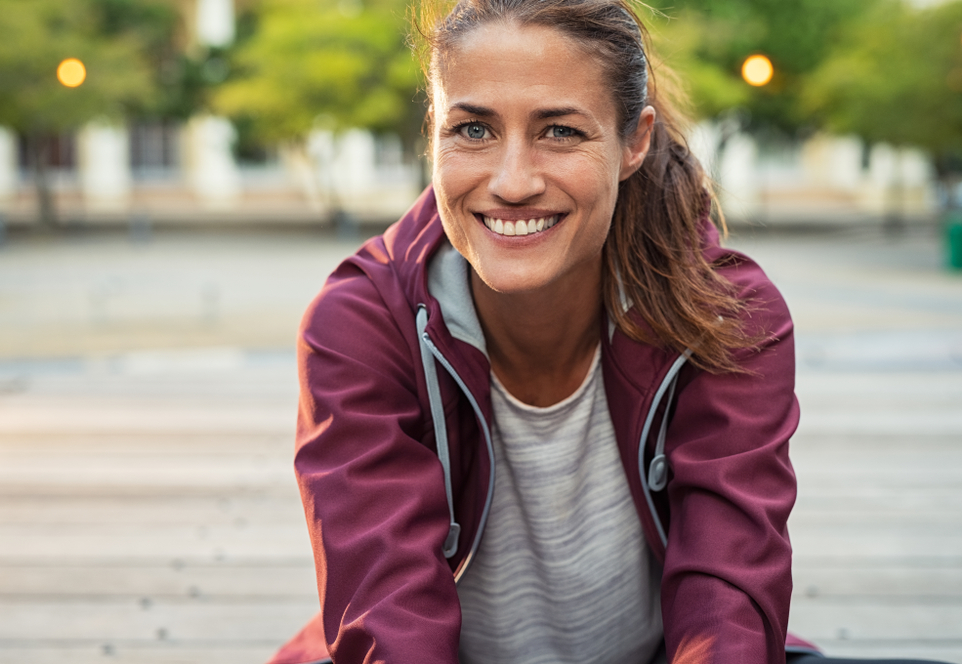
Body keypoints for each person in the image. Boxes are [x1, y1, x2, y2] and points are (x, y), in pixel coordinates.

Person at [266, 1, 951, 663]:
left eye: (560, 131)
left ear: (635, 142)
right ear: (432, 132)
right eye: (472, 130)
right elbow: (386, 619)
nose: (512, 182)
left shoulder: (726, 314)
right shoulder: (361, 322)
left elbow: (727, 597)